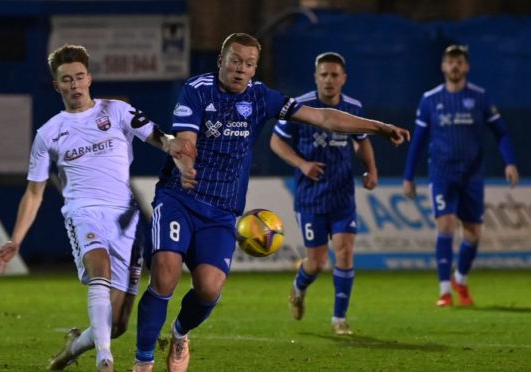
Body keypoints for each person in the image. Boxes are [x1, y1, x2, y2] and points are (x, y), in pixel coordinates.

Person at [132, 33, 409, 372]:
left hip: (222, 209)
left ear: (254, 69)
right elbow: (185, 139)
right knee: (165, 275)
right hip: (179, 197)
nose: (240, 69)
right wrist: (186, 164)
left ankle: (179, 334)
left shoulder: (261, 97)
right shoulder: (198, 89)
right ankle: (143, 362)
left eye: (248, 64)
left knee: (208, 287)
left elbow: (324, 117)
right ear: (221, 60)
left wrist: (378, 127)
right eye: (235, 61)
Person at [0, 44, 194, 372]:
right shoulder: (49, 134)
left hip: (125, 220)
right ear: (57, 85)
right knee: (99, 268)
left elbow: (159, 138)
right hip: (83, 212)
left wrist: (175, 146)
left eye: (79, 77)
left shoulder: (116, 111)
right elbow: (33, 193)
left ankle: (75, 347)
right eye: (66, 79)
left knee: (118, 324)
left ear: (90, 78)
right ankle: (105, 359)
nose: (74, 85)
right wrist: (16, 239)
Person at [402, 44, 519, 307]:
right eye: (450, 61)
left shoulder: (480, 97)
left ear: (466, 67)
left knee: (473, 233)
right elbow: (418, 141)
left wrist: (510, 162)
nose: (455, 66)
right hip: (442, 173)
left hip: (472, 175)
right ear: (443, 66)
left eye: (459, 62)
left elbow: (500, 132)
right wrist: (408, 175)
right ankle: (445, 291)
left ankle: (460, 280)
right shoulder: (430, 99)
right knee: (445, 225)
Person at [270, 52, 377, 335]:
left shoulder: (353, 107)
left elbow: (362, 141)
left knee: (345, 252)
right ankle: (298, 287)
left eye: (334, 75)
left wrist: (371, 170)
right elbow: (276, 142)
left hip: (342, 194)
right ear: (316, 77)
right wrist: (302, 164)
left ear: (343, 79)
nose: (329, 80)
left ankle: (338, 319)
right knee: (317, 263)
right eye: (324, 75)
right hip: (310, 197)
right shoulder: (301, 107)